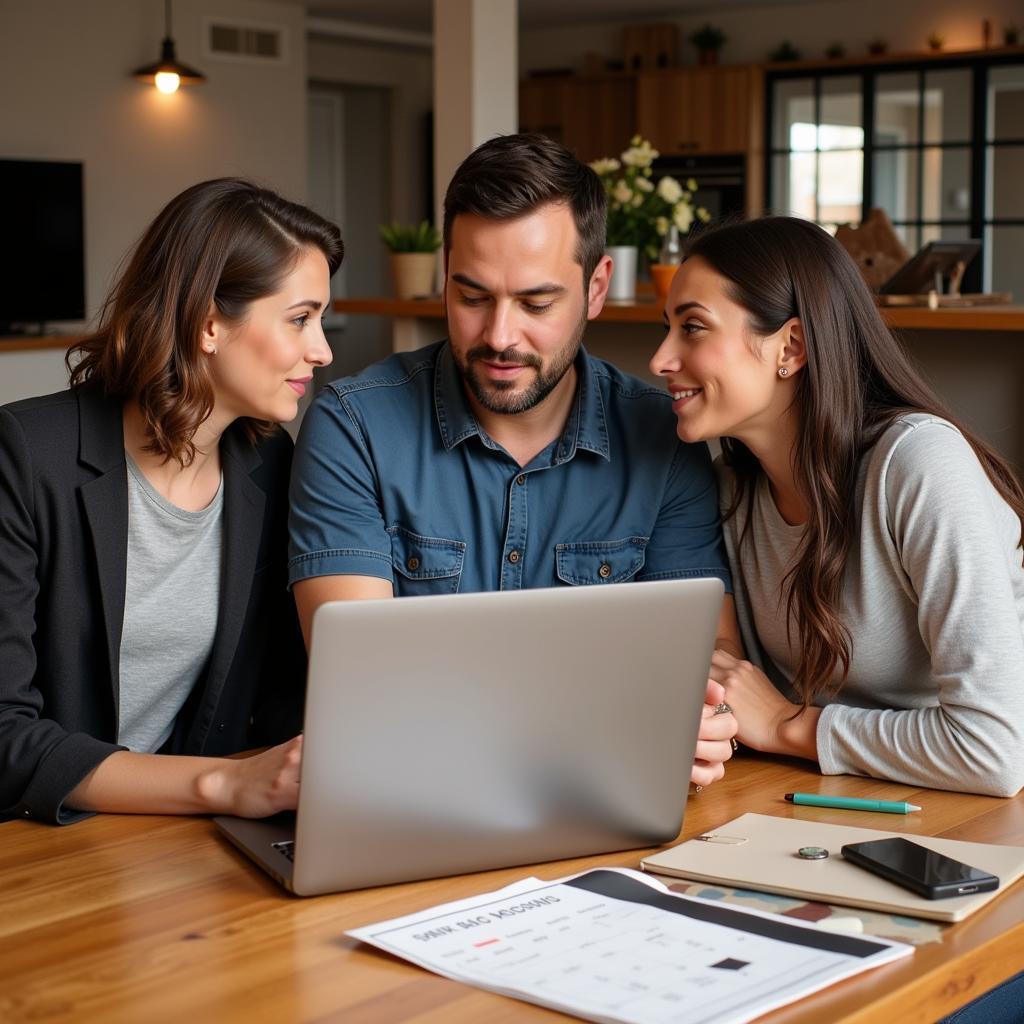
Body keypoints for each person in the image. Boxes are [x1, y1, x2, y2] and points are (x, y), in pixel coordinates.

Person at [288, 133, 740, 788]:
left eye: (536, 303)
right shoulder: (354, 426)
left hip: (608, 799)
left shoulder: (665, 438)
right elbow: (363, 692)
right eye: (472, 297)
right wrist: (617, 717)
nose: (500, 336)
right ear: (446, 275)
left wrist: (705, 720)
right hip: (415, 799)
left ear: (596, 287)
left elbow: (711, 663)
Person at [0, 178, 342, 824]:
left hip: (181, 846)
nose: (322, 350)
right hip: (37, 843)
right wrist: (223, 784)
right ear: (208, 323)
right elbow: (3, 734)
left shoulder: (272, 468)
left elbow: (272, 697)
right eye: (300, 318)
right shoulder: (23, 454)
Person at [650, 215, 1024, 799]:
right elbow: (737, 696)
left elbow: (994, 749)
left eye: (692, 328)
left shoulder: (918, 464)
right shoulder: (727, 492)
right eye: (667, 329)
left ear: (791, 347)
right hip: (836, 799)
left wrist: (785, 724)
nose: (661, 359)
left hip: (977, 819)